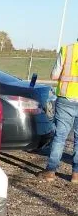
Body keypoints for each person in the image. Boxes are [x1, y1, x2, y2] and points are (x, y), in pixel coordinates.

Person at [39, 37, 78, 183]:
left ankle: (51, 171)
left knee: (60, 136)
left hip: (66, 99)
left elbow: (54, 75)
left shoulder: (67, 50)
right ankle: (76, 175)